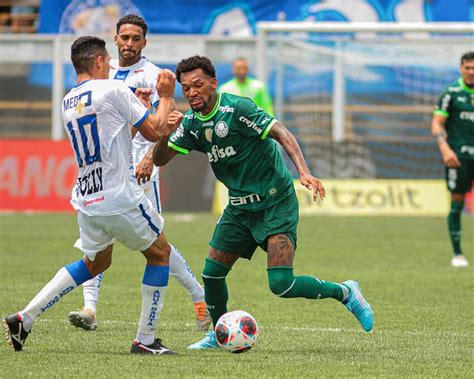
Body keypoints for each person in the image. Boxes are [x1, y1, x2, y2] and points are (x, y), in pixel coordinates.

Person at [152, 55, 374, 350]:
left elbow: (281, 133)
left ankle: (345, 293)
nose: (192, 92)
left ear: (213, 83)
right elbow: (160, 158)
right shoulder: (191, 124)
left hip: (275, 202)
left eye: (198, 85)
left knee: (281, 284)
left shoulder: (237, 109)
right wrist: (163, 135)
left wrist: (304, 172)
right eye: (186, 88)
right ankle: (218, 335)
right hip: (239, 208)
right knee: (212, 274)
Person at [3, 36, 180, 355]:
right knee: (159, 253)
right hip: (119, 194)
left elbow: (115, 134)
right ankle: (146, 339)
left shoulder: (68, 100)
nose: (111, 62)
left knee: (97, 261)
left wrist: (135, 109)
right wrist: (164, 96)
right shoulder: (113, 89)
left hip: (86, 196)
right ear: (99, 60)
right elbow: (156, 130)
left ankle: (24, 318)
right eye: (107, 58)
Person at [66, 14, 211, 333]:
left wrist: (150, 158)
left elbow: (173, 118)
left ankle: (199, 299)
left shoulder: (154, 75)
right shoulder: (100, 72)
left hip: (141, 175)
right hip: (107, 174)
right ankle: (89, 308)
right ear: (115, 40)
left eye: (136, 38)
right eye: (124, 38)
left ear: (144, 42)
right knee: (96, 244)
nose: (129, 43)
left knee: (160, 245)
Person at [431, 51, 474, 268]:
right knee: (456, 204)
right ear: (461, 68)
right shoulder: (451, 93)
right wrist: (445, 149)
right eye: (467, 68)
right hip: (459, 158)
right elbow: (437, 124)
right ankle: (458, 253)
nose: (471, 72)